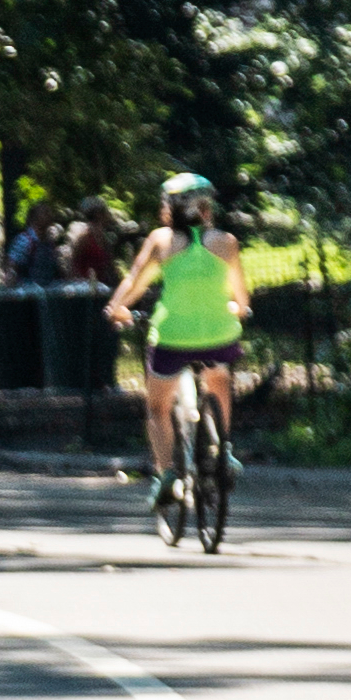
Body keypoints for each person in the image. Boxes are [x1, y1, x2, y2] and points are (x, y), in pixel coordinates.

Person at [104, 172, 251, 507]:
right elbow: (241, 298)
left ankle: (167, 473)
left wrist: (116, 309)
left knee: (157, 407)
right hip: (218, 334)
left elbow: (134, 283)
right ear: (207, 208)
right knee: (219, 381)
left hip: (172, 337)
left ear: (169, 208)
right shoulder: (226, 242)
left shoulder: (161, 241)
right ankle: (224, 449)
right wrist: (237, 308)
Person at [4, 201, 66, 287]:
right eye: (45, 213)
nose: (50, 216)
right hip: (27, 293)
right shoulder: (24, 240)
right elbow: (12, 266)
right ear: (34, 217)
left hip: (48, 292)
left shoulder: (50, 243)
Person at [66, 199, 122, 284]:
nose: (109, 215)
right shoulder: (85, 237)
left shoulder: (104, 239)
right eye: (106, 212)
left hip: (101, 284)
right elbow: (73, 263)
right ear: (98, 215)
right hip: (84, 285)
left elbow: (109, 265)